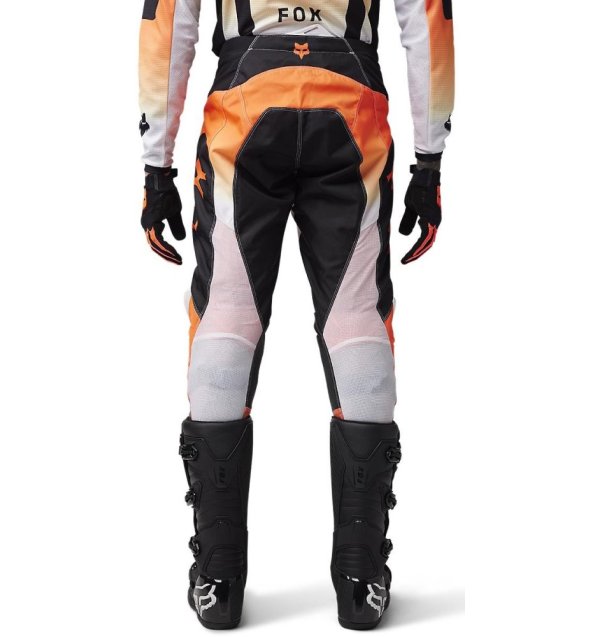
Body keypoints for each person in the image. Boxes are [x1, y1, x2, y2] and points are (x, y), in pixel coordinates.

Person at [138, 0, 454, 629]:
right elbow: (428, 16)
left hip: (244, 103)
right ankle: (361, 578)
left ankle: (219, 579)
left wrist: (156, 164)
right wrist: (430, 160)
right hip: (351, 104)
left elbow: (167, 20)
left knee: (226, 319)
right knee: (357, 322)